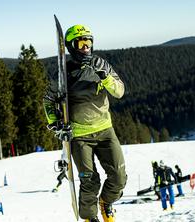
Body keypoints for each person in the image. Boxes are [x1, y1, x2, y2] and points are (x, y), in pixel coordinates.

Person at [44, 24, 127, 222]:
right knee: (90, 181)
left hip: (105, 130)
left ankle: (106, 202)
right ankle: (90, 218)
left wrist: (105, 77)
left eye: (88, 42)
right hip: (80, 135)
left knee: (118, 178)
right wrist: (56, 124)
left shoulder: (101, 64)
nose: (86, 48)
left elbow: (119, 91)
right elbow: (49, 100)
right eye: (81, 43)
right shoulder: (64, 74)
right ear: (72, 46)